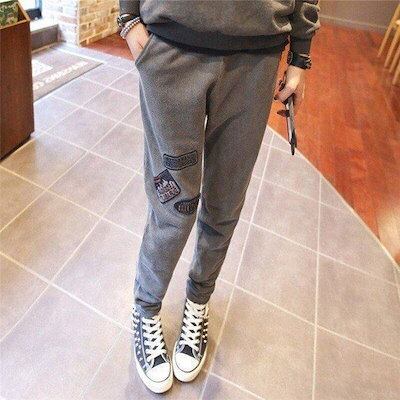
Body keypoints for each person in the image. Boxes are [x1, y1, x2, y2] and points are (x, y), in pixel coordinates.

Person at [117, 0, 320, 393]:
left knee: (225, 201)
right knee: (174, 205)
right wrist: (128, 18)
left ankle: (198, 300)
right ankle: (146, 306)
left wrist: (301, 54)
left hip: (256, 56)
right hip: (171, 48)